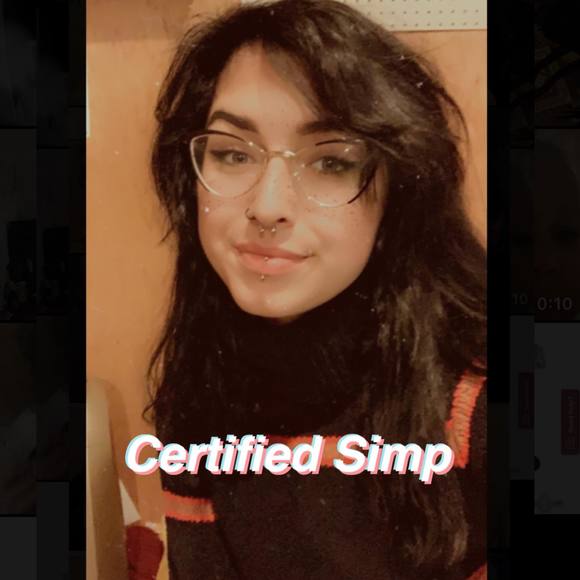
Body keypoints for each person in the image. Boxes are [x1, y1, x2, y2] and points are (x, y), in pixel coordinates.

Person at [146, 1, 486, 578]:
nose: (267, 206)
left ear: (399, 188)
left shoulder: (474, 403)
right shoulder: (201, 379)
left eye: (331, 162)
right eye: (232, 153)